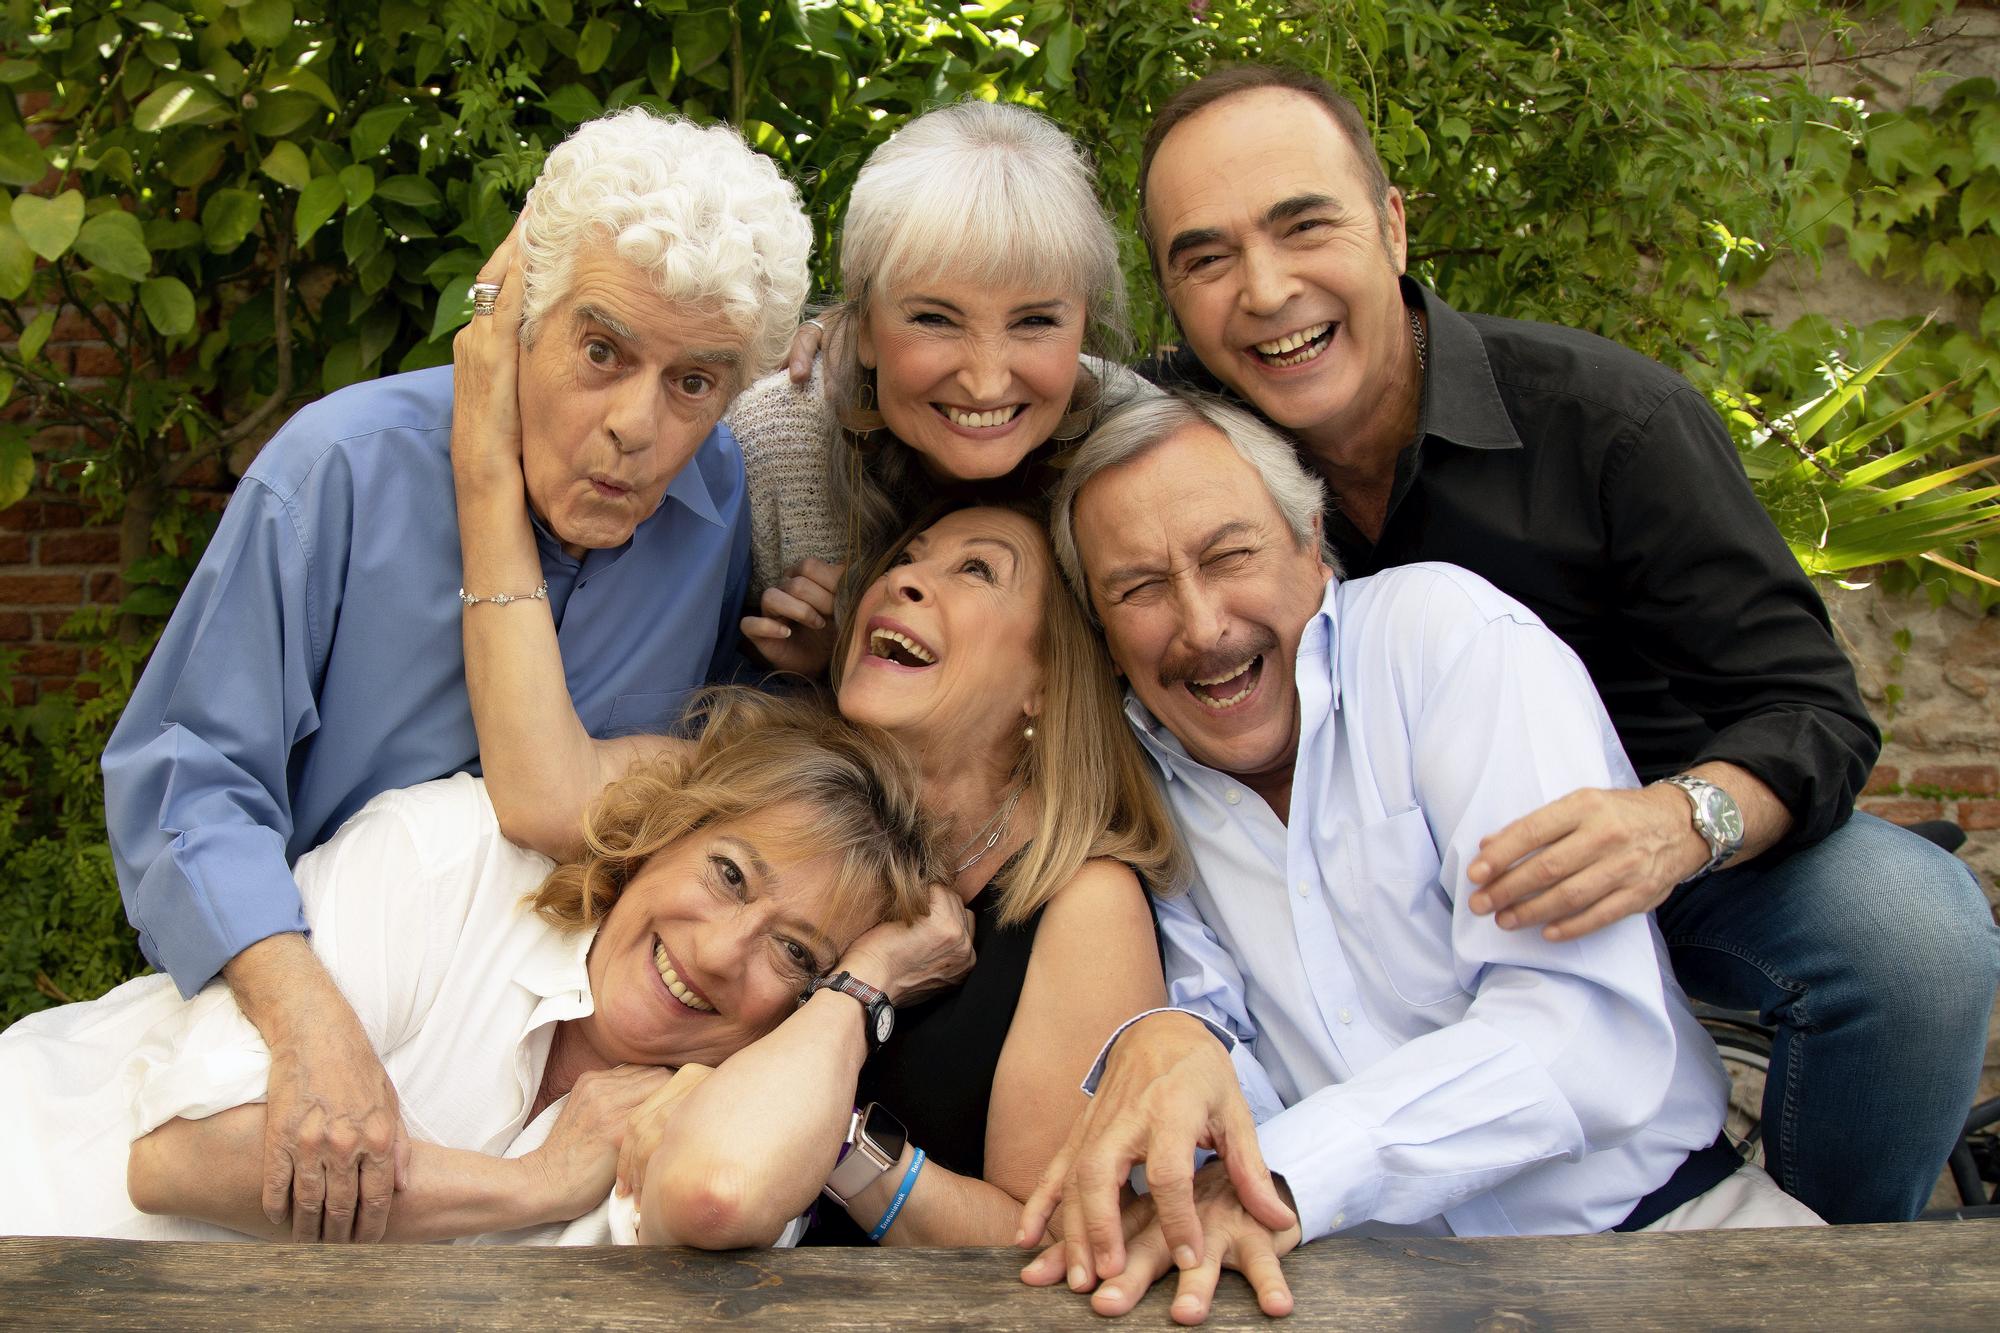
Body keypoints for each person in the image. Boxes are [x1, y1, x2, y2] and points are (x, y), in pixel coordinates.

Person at [1119, 63, 1999, 1225]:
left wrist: (1676, 824)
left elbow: (1810, 710)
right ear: (1172, 297)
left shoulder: (1607, 423)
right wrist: (826, 388)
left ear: (1390, 227)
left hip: (1637, 847)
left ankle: (1830, 1250)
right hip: (1360, 883)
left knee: (1910, 932)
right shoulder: (1160, 436)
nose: (1264, 289)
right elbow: (993, 407)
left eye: (1302, 226)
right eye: (1206, 257)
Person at [99, 105, 814, 1243]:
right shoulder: (340, 471)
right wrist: (306, 1023)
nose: (638, 425)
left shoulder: (713, 498)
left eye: (694, 383)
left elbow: (712, 761)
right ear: (515, 323)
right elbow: (189, 782)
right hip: (271, 1045)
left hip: (529, 1086)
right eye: (600, 351)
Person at [1019, 392, 1821, 1324]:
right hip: (1360, 1295)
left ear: (1311, 543)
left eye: (1228, 555)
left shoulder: (1442, 641)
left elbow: (1581, 1035)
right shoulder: (1135, 777)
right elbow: (1220, 1058)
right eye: (1140, 588)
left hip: (1673, 1248)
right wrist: (1177, 1043)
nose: (1201, 626)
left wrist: (1284, 1170)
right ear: (1102, 628)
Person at [6, 691, 945, 1244]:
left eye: (795, 952)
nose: (715, 950)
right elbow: (179, 1160)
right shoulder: (448, 858)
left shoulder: (726, 1117)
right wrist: (539, 1183)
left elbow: (723, 1192)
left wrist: (862, 989)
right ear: (667, 832)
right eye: (729, 873)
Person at [739, 98, 1139, 677]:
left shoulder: (1141, 450)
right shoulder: (771, 443)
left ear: (1084, 324)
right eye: (934, 320)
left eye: (1034, 321)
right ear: (863, 324)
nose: (985, 382)